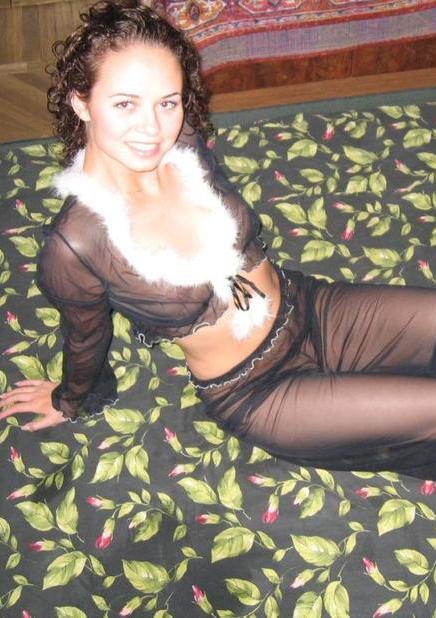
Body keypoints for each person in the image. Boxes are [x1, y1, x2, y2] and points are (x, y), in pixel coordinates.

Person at [1, 0, 436, 478]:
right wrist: (69, 399)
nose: (153, 129)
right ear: (81, 102)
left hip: (311, 309)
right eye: (125, 103)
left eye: (167, 102)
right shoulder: (75, 245)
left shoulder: (183, 143)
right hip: (259, 389)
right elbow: (86, 337)